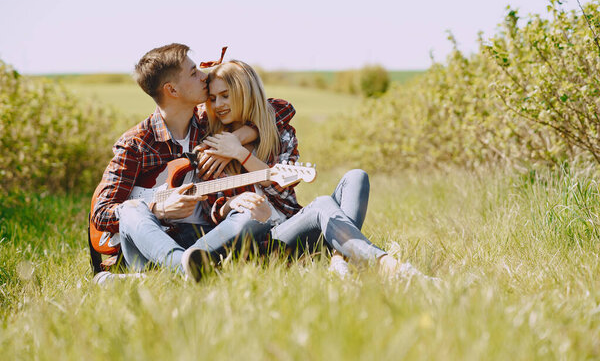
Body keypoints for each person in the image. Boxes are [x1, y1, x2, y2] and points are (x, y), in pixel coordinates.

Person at [181, 60, 434, 281]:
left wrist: (241, 152)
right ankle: (388, 267)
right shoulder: (211, 145)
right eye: (213, 99)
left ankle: (339, 258)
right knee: (323, 202)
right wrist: (233, 202)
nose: (218, 104)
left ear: (244, 93)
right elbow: (211, 207)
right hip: (265, 241)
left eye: (225, 95)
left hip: (294, 229)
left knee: (356, 176)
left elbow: (283, 185)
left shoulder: (279, 133)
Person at [91, 44, 295, 283]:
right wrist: (159, 210)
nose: (204, 76)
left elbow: (280, 108)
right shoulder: (136, 144)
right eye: (193, 72)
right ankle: (184, 268)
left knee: (254, 215)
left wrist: (237, 138)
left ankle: (168, 276)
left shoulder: (208, 125)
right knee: (130, 209)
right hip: (153, 241)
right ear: (172, 90)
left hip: (206, 238)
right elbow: (102, 212)